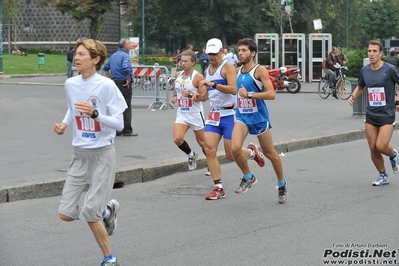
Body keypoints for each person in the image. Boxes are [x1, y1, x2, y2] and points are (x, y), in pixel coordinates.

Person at [53, 38, 126, 266]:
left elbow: (120, 124)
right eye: (77, 53)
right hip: (79, 154)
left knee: (90, 213)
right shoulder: (71, 84)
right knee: (65, 214)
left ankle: (109, 258)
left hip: (102, 154)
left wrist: (96, 115)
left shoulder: (106, 86)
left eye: (82, 54)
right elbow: (72, 108)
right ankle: (107, 211)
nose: (77, 57)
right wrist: (64, 123)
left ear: (95, 60)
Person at [231, 37, 287, 203]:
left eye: (244, 50)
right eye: (239, 50)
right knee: (234, 149)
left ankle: (282, 184)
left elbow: (271, 94)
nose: (240, 53)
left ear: (253, 53)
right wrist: (236, 103)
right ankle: (249, 176)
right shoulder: (237, 71)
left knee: (270, 153)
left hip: (259, 117)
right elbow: (237, 92)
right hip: (242, 116)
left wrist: (249, 95)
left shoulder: (259, 70)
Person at [348, 40, 399, 187]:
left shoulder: (389, 69)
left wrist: (398, 101)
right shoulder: (365, 71)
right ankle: (383, 175)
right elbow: (361, 86)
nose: (371, 54)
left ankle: (393, 154)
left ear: (381, 53)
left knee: (381, 146)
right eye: (369, 51)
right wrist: (353, 96)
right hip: (371, 114)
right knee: (372, 147)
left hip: (387, 114)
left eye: (374, 51)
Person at [196, 38, 237, 200]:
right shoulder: (208, 71)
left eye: (214, 54)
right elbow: (207, 96)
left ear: (221, 52)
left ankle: (252, 151)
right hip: (214, 115)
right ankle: (218, 187)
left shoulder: (227, 67)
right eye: (209, 54)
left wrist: (212, 85)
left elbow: (233, 90)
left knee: (231, 154)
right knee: (209, 150)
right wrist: (199, 97)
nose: (211, 57)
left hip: (229, 115)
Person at [171, 50, 208, 172]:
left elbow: (204, 97)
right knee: (177, 139)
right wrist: (175, 96)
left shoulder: (198, 77)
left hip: (195, 114)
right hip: (182, 113)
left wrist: (190, 94)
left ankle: (211, 162)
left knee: (203, 143)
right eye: (182, 61)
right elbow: (176, 88)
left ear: (193, 62)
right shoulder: (178, 75)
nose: (183, 63)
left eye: (186, 61)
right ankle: (191, 154)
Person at [103, 38, 137, 137]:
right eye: (129, 44)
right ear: (125, 45)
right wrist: (128, 78)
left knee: (117, 106)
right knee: (126, 106)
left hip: (115, 83)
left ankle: (118, 129)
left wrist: (111, 78)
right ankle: (127, 130)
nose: (130, 45)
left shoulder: (113, 55)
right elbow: (126, 67)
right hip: (124, 83)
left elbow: (106, 68)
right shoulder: (125, 55)